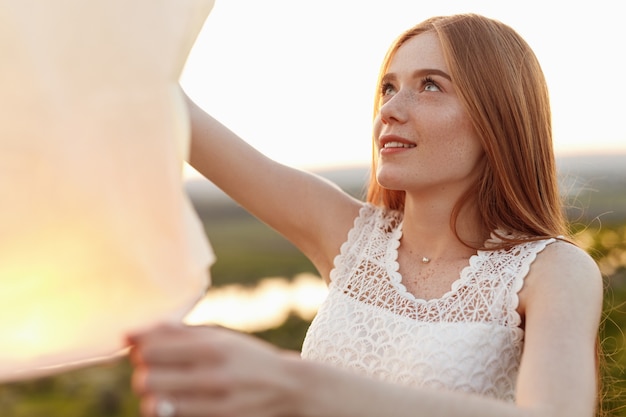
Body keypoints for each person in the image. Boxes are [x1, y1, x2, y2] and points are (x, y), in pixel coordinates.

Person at [129, 13, 603, 417]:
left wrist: (297, 386)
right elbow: (169, 106)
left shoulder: (553, 272)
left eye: (430, 85)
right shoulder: (347, 234)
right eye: (388, 87)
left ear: (498, 116)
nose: (391, 110)